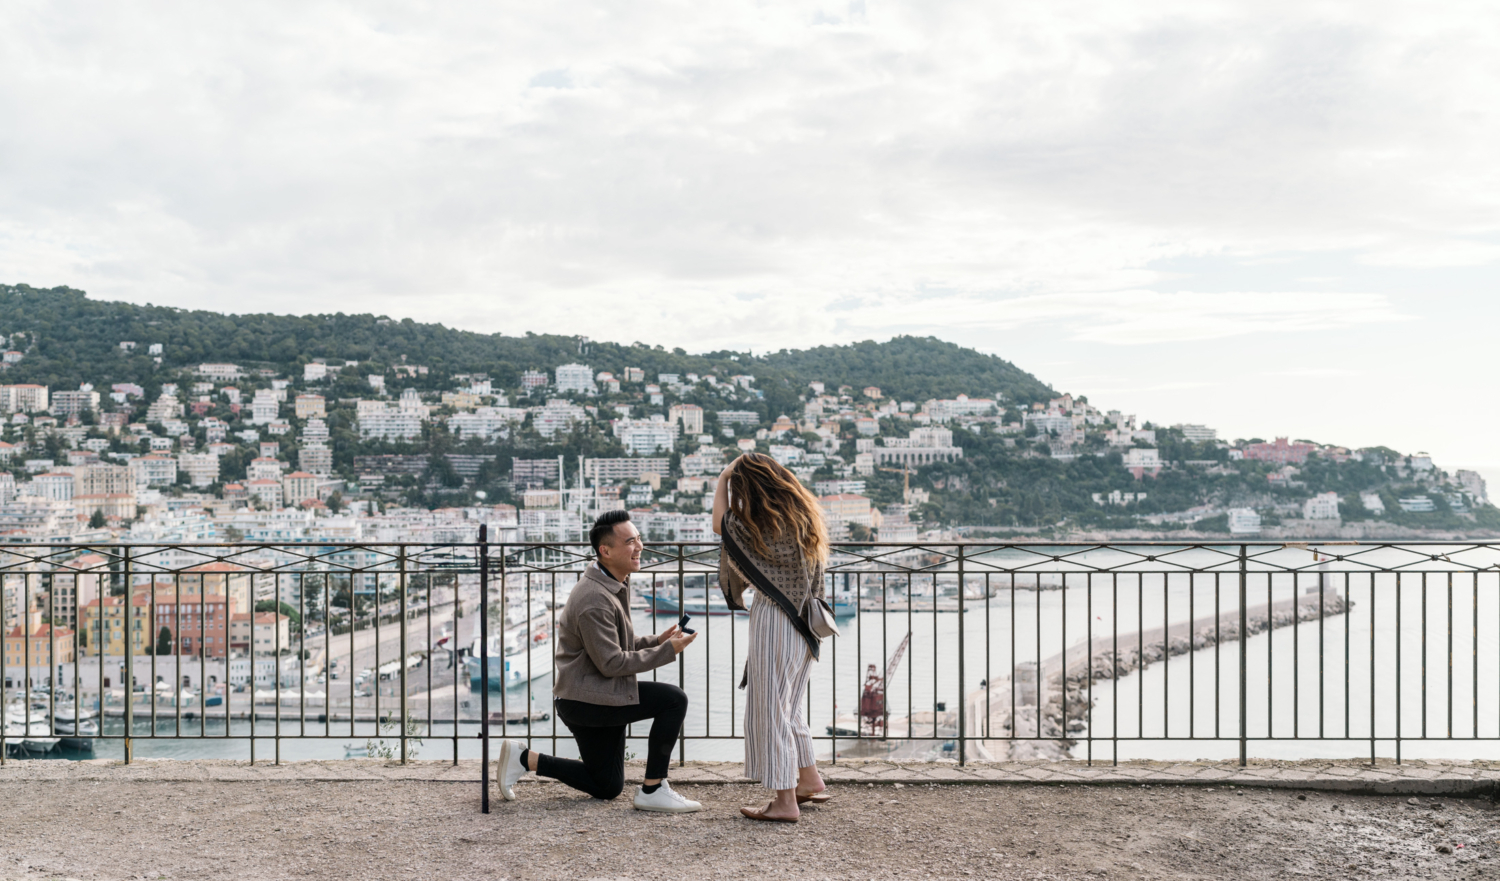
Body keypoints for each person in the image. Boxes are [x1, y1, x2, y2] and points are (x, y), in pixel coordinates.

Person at [494, 510, 702, 812]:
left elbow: (616, 646)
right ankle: (654, 787)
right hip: (588, 701)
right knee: (673, 700)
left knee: (607, 785)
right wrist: (669, 651)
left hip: (594, 694)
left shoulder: (611, 584)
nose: (639, 547)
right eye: (630, 541)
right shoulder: (594, 598)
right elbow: (612, 662)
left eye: (639, 539)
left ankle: (524, 759)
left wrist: (659, 640)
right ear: (605, 551)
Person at [713, 452, 832, 823]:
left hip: (775, 619)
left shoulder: (760, 525)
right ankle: (809, 780)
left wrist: (722, 479)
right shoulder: (802, 519)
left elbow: (721, 524)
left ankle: (784, 802)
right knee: (789, 707)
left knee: (769, 711)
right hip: (806, 624)